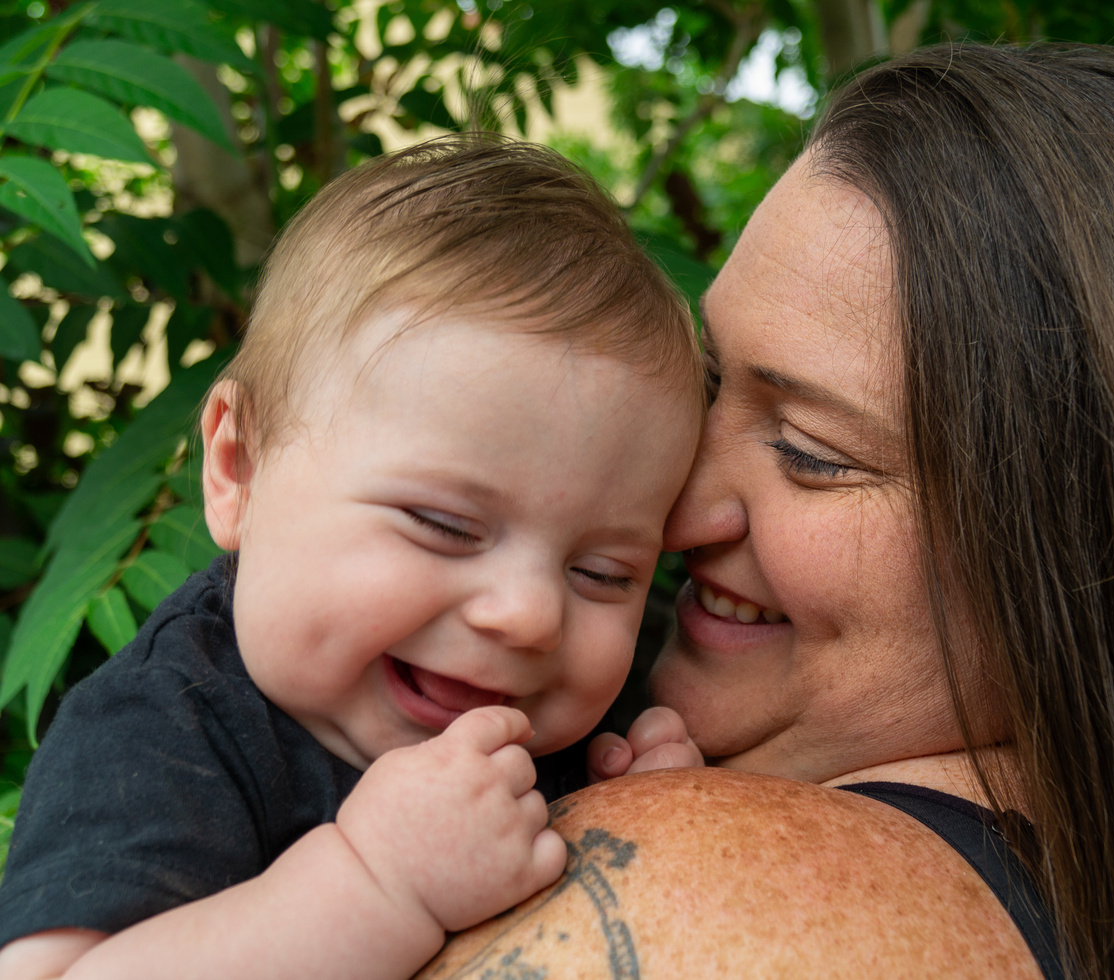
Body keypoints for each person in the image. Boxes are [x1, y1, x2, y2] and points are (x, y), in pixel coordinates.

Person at [423, 42, 1114, 980]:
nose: (678, 508)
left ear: (1098, 548)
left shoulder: (704, 909)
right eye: (704, 382)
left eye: (811, 454)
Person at [0, 136, 707, 980]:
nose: (529, 615)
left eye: (602, 575)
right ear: (239, 468)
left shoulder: (562, 732)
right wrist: (378, 884)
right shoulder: (166, 727)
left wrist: (649, 825)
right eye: (443, 524)